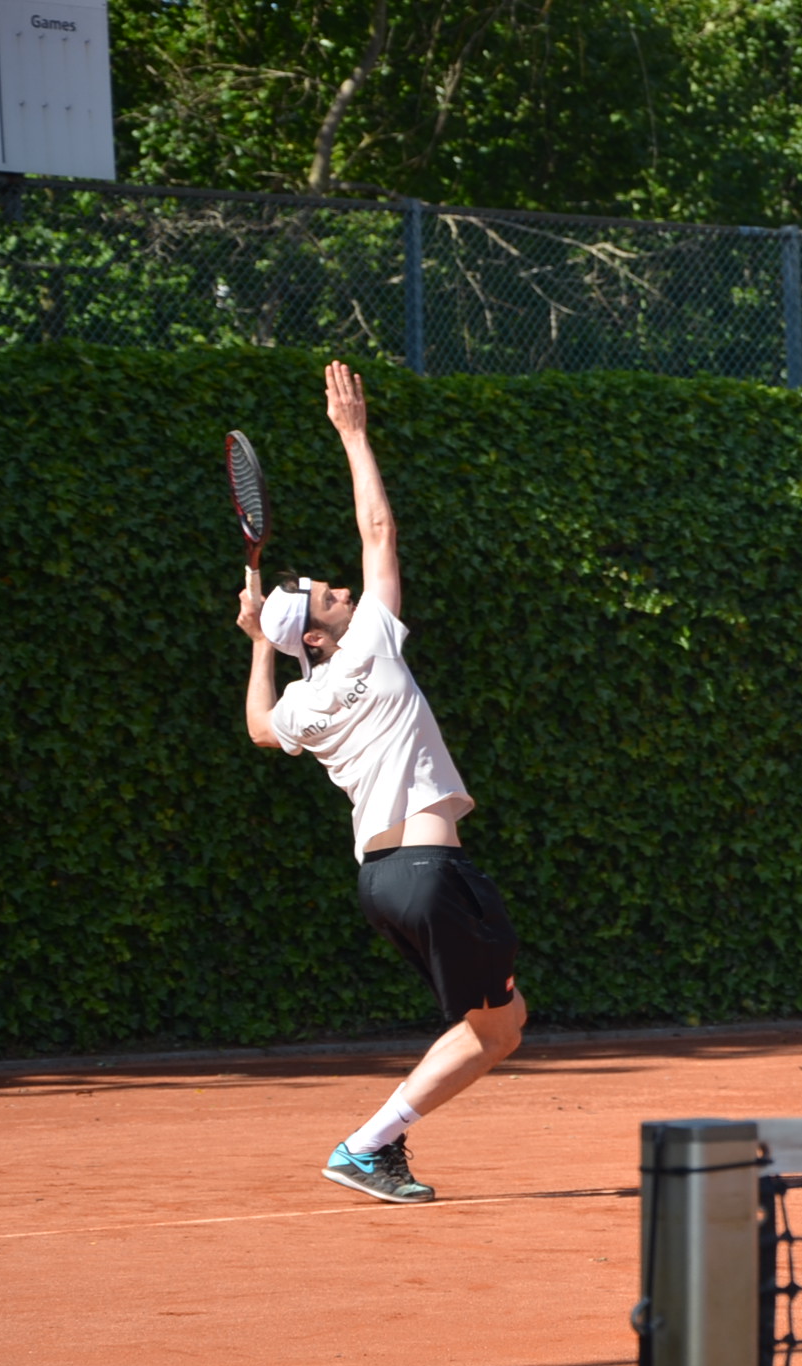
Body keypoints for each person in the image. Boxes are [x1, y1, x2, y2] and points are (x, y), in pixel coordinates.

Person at [232, 360, 527, 1204]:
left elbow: (259, 728)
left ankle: (371, 1145)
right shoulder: (370, 645)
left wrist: (260, 645)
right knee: (495, 1029)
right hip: (433, 873)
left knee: (499, 1025)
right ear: (323, 634)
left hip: (383, 882)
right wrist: (353, 435)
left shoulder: (304, 705)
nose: (344, 588)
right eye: (329, 595)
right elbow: (380, 531)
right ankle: (366, 1145)